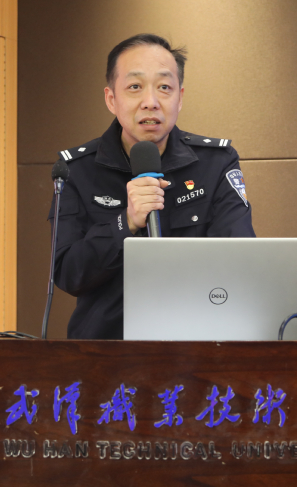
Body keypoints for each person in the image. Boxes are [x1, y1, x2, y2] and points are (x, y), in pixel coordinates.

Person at [51, 34, 255, 339]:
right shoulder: (76, 170)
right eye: (135, 87)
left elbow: (241, 262)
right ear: (111, 99)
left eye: (164, 87)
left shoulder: (216, 163)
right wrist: (126, 223)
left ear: (180, 98)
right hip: (106, 349)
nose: (151, 102)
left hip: (198, 345)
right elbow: (69, 274)